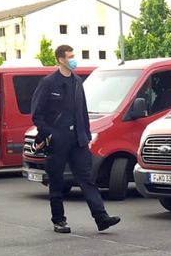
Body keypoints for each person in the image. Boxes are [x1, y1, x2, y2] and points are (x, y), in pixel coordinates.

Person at [31, 45, 121, 234]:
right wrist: (49, 133)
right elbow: (37, 114)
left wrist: (86, 136)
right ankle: (59, 220)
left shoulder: (78, 81)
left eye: (74, 55)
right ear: (60, 59)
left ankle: (101, 218)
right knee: (56, 181)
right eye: (70, 56)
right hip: (57, 139)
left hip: (77, 138)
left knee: (87, 179)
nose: (74, 59)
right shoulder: (48, 83)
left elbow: (82, 112)